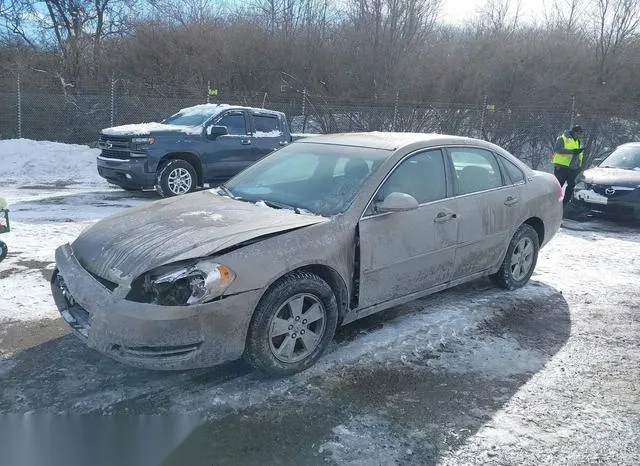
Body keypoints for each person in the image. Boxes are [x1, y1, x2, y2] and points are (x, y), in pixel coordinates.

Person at [551, 125, 584, 205]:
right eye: (579, 133)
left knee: (571, 185)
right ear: (574, 132)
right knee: (559, 185)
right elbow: (557, 149)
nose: (580, 136)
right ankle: (552, 202)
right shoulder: (562, 138)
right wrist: (572, 151)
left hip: (572, 168)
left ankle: (565, 203)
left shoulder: (578, 141)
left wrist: (579, 166)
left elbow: (580, 155)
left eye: (581, 134)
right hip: (561, 166)